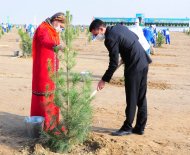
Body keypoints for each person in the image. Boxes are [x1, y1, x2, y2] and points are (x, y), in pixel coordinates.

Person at [89, 19, 152, 136]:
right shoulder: (119, 27)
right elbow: (134, 38)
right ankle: (140, 127)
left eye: (95, 34)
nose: (95, 37)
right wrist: (126, 54)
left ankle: (127, 127)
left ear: (101, 29)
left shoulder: (109, 39)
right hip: (143, 60)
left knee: (132, 97)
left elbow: (113, 63)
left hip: (134, 66)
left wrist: (104, 79)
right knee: (141, 97)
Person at [30, 12, 65, 131]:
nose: (60, 27)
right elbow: (45, 41)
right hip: (43, 67)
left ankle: (53, 121)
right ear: (55, 20)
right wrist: (56, 45)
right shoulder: (43, 28)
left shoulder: (52, 29)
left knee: (52, 92)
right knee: (44, 91)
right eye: (60, 24)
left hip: (52, 67)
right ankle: (46, 124)